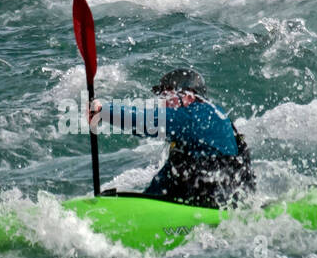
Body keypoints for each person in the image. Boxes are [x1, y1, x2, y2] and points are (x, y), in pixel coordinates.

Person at [88, 68, 255, 208]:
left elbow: (145, 122)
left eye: (168, 97)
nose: (164, 104)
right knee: (176, 166)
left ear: (189, 96)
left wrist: (103, 111)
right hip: (215, 199)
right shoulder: (201, 120)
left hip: (220, 204)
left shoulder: (198, 115)